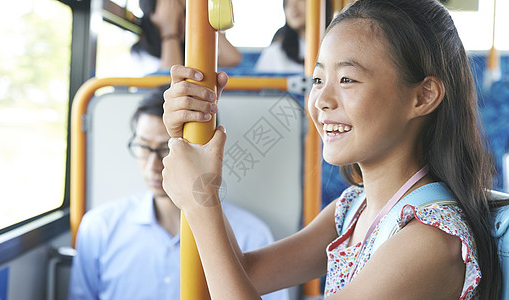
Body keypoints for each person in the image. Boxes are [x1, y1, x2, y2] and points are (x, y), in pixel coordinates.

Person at [160, 0, 503, 299]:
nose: (321, 101)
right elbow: (243, 273)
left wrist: (199, 199)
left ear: (423, 96)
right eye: (318, 79)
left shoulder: (428, 241)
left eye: (348, 80)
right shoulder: (354, 208)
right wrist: (191, 137)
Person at [68, 87, 288, 300]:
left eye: (166, 149)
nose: (152, 165)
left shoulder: (252, 235)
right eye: (143, 147)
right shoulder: (99, 228)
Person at [130, 0, 242, 76]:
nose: (183, 21)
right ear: (153, 16)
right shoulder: (139, 51)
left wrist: (204, 22)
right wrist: (170, 33)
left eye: (185, 13)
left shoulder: (191, 48)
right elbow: (168, 79)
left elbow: (233, 58)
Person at [254, 0, 305, 73]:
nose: (293, 7)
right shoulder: (275, 52)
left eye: (300, 1)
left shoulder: (325, 48)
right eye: (287, 4)